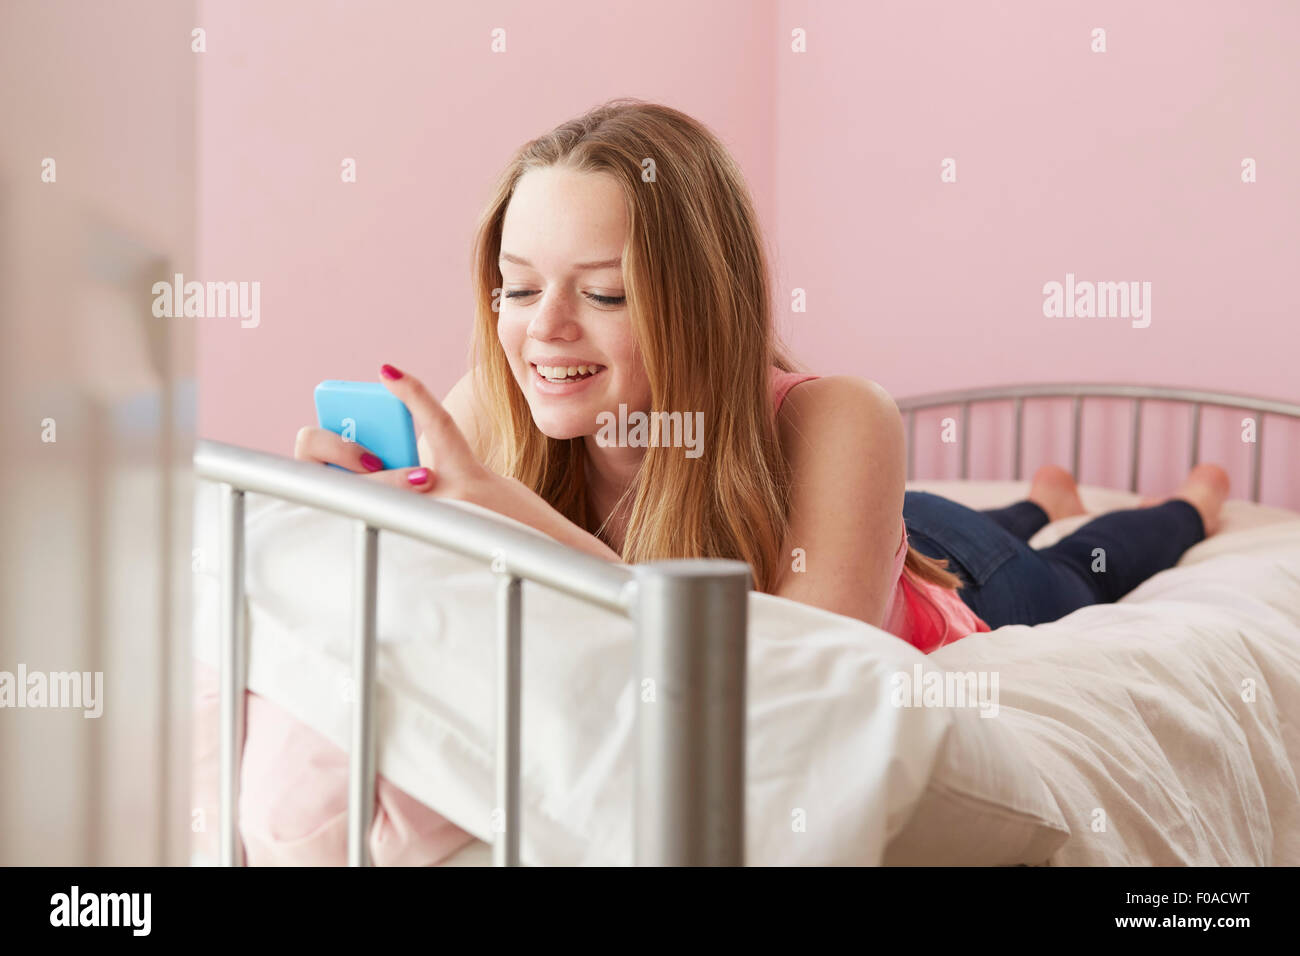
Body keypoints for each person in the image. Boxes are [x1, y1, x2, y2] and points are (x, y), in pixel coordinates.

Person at [293, 98, 1227, 654]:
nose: (544, 330)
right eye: (519, 287)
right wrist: (352, 516)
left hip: (957, 582)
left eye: (606, 295)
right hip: (877, 524)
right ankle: (1035, 496)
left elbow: (806, 668)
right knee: (997, 516)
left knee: (1078, 566)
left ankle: (1188, 499)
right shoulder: (488, 408)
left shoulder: (840, 419)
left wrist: (517, 515)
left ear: (703, 302)